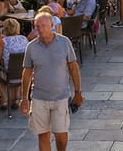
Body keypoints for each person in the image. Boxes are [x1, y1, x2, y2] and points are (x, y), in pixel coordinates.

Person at [20, 12, 83, 151]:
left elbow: (73, 67)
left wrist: (78, 92)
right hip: (38, 98)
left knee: (60, 135)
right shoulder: (31, 47)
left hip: (60, 97)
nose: (41, 29)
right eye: (37, 27)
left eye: (44, 26)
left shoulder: (64, 42)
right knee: (43, 135)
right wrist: (24, 98)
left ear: (52, 25)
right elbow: (27, 73)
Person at [0, 18, 28, 109]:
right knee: (18, 67)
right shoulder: (24, 39)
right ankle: (16, 99)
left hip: (8, 75)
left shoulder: (4, 41)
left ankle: (5, 100)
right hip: (23, 74)